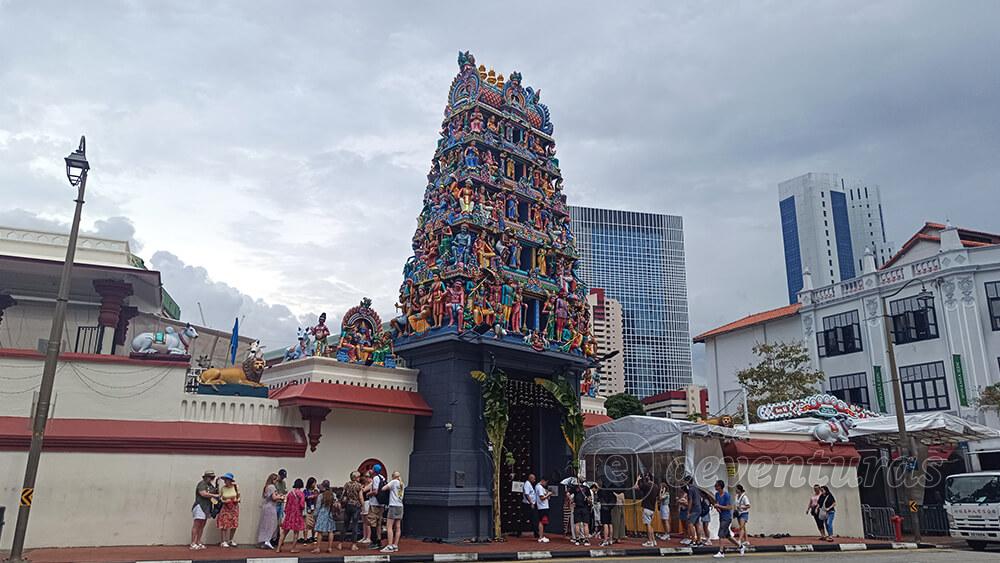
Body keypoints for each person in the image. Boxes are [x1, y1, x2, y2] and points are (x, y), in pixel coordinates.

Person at [712, 480, 741, 558]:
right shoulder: (717, 494)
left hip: (727, 518)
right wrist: (717, 507)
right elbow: (717, 505)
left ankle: (721, 552)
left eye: (716, 485)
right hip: (721, 517)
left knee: (721, 533)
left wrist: (719, 506)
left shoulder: (726, 495)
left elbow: (729, 507)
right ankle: (740, 546)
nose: (715, 487)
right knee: (728, 535)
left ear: (720, 487)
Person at [191, 470, 219, 550]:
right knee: (197, 524)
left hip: (207, 507)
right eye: (209, 477)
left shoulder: (210, 485)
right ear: (206, 477)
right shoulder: (202, 484)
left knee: (202, 525)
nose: (210, 478)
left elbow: (216, 492)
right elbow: (203, 493)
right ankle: (193, 542)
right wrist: (214, 495)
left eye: (212, 477)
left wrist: (217, 485)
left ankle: (198, 541)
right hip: (200, 506)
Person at [276, 478, 307, 553]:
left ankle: (278, 548)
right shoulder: (301, 494)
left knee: (284, 532)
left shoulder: (290, 493)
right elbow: (302, 505)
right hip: (297, 515)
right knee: (296, 532)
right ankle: (293, 548)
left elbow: (287, 505)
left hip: (289, 515)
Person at [257, 473, 283, 550]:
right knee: (272, 524)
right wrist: (281, 497)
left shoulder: (266, 487)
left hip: (266, 507)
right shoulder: (272, 487)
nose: (276, 482)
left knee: (265, 524)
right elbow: (274, 498)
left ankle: (263, 541)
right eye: (276, 480)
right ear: (273, 480)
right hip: (271, 507)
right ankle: (267, 540)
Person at [381, 471, 405, 553]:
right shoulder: (402, 484)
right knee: (398, 527)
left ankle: (390, 545)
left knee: (389, 526)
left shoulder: (394, 482)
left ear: (393, 476)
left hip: (393, 506)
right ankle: (395, 545)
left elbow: (383, 488)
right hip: (400, 506)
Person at [312, 484, 338, 554]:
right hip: (330, 514)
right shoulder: (333, 495)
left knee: (320, 532)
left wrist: (315, 515)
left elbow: (318, 507)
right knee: (331, 531)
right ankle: (329, 548)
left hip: (322, 514)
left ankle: (317, 548)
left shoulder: (321, 495)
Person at [217, 473, 241, 548]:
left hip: (234, 507)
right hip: (225, 507)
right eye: (224, 480)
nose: (225, 482)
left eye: (226, 480)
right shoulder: (223, 488)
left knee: (234, 524)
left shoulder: (236, 487)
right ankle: (223, 541)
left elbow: (239, 497)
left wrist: (236, 500)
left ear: (230, 480)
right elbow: (220, 497)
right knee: (224, 524)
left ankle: (230, 539)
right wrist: (224, 501)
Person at [342, 471, 363, 548]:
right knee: (355, 525)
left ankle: (340, 543)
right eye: (358, 477)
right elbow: (360, 497)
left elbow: (343, 495)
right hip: (356, 506)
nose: (359, 478)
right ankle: (353, 544)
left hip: (348, 505)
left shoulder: (347, 484)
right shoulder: (359, 486)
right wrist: (362, 505)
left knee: (345, 524)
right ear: (355, 477)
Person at [635, 474, 657, 547]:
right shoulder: (656, 486)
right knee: (650, 525)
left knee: (647, 525)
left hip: (647, 507)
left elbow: (635, 487)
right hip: (652, 508)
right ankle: (653, 540)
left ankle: (650, 541)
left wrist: (638, 479)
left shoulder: (647, 485)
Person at [367, 467, 386, 549]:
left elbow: (375, 491)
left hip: (374, 503)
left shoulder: (375, 478)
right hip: (381, 504)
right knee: (379, 523)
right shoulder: (382, 477)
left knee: (372, 521)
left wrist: (369, 494)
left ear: (374, 471)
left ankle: (374, 541)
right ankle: (379, 540)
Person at [683, 476, 703, 547]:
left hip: (694, 508)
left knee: (690, 524)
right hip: (699, 507)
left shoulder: (690, 489)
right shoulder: (696, 488)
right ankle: (699, 540)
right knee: (697, 524)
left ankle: (693, 541)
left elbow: (690, 500)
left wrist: (688, 511)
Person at [571, 481, 592, 546]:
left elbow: (568, 494)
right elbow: (590, 500)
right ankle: (586, 540)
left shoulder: (575, 488)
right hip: (585, 508)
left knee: (577, 524)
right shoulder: (587, 488)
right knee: (586, 524)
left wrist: (572, 501)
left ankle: (577, 540)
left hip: (577, 508)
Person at [596, 481, 616, 547]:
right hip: (609, 508)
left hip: (604, 508)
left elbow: (598, 497)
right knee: (610, 523)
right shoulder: (611, 491)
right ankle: (610, 539)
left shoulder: (601, 491)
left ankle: (605, 540)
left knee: (605, 524)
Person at [272, 468, 288, 543]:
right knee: (273, 521)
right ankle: (273, 538)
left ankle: (277, 537)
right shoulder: (275, 482)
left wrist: (284, 494)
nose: (282, 478)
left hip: (281, 503)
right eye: (282, 477)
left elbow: (284, 491)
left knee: (279, 522)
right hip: (275, 503)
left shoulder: (283, 483)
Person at [535, 477, 552, 543]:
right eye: (545, 482)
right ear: (542, 481)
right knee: (542, 521)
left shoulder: (540, 487)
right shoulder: (539, 487)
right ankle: (540, 537)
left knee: (543, 521)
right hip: (543, 507)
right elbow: (542, 498)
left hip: (543, 506)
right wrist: (548, 494)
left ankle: (541, 536)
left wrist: (547, 494)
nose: (546, 484)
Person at [521, 474, 539, 538]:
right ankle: (519, 531)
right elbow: (527, 494)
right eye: (533, 479)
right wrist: (531, 503)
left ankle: (535, 533)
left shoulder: (530, 484)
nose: (534, 480)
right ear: (530, 478)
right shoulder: (527, 484)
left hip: (530, 504)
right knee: (533, 518)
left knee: (532, 518)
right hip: (528, 505)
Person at [304, 477, 319, 544]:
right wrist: (311, 496)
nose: (315, 484)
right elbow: (305, 497)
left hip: (314, 509)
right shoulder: (305, 491)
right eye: (314, 483)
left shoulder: (316, 491)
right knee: (307, 525)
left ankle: (313, 537)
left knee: (314, 524)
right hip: (308, 509)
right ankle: (305, 538)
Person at [359, 473, 372, 545]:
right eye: (365, 477)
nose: (366, 478)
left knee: (367, 521)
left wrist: (359, 487)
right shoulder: (363, 484)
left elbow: (363, 490)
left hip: (367, 502)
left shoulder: (371, 484)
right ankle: (364, 536)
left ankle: (368, 537)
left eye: (367, 477)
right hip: (363, 502)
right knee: (364, 521)